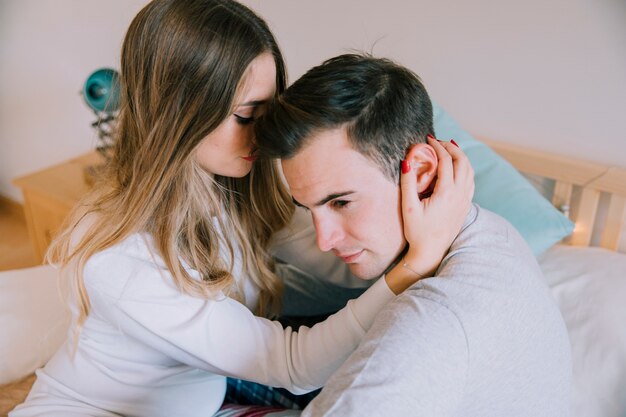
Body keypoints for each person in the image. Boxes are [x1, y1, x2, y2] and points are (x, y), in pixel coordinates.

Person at [9, 2, 474, 417]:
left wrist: (415, 214)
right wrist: (415, 266)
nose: (266, 133)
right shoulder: (118, 258)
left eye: (270, 111)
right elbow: (294, 363)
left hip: (207, 401)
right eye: (248, 116)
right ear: (181, 113)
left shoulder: (233, 190)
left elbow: (344, 262)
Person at [255, 53, 572, 416]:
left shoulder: (429, 321)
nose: (324, 240)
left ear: (420, 169)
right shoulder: (491, 230)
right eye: (307, 208)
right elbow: (328, 296)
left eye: (341, 203)